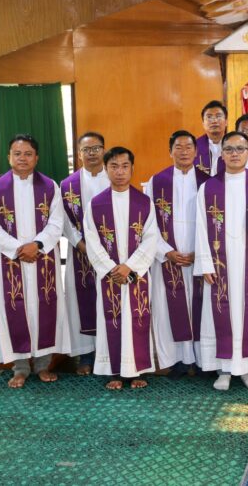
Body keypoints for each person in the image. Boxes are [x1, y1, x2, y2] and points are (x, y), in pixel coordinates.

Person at [0, 134, 68, 388]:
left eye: (28, 154)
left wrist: (37, 245)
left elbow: (57, 222)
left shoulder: (50, 187)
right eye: (17, 153)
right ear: (9, 157)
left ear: (36, 158)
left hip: (43, 258)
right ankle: (20, 368)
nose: (22, 158)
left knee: (44, 308)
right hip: (10, 260)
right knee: (14, 308)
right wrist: (19, 249)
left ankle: (43, 365)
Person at [84, 147, 159, 390]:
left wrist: (130, 267)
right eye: (114, 166)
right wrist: (111, 269)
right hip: (110, 276)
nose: (119, 171)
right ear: (106, 169)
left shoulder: (144, 203)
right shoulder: (96, 204)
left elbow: (151, 239)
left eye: (125, 166)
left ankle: (137, 370)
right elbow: (92, 241)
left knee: (137, 317)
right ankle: (114, 371)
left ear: (132, 168)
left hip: (136, 274)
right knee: (112, 318)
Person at [195, 132, 248, 391]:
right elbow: (201, 227)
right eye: (229, 149)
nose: (235, 154)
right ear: (221, 154)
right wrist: (205, 263)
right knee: (220, 311)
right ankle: (223, 368)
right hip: (219, 262)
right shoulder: (208, 188)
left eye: (240, 149)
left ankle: (246, 368)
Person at [145, 131, 207, 379]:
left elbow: (213, 224)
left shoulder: (207, 182)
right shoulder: (156, 182)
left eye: (188, 147)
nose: (183, 152)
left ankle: (201, 360)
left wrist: (199, 253)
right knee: (168, 308)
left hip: (197, 257)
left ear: (196, 151)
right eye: (178, 147)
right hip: (168, 257)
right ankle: (177, 360)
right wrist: (166, 251)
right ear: (170, 151)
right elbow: (147, 223)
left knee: (200, 308)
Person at [60, 131, 110, 375]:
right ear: (79, 154)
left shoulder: (114, 178)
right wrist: (80, 244)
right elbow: (64, 221)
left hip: (111, 255)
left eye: (96, 148)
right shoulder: (67, 186)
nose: (92, 153)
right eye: (86, 150)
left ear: (104, 150)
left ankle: (109, 352)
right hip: (80, 254)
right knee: (81, 303)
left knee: (109, 301)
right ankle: (86, 356)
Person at [194, 101, 228, 177]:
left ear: (226, 122)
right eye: (209, 117)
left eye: (218, 116)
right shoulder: (194, 146)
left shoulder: (235, 145)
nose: (214, 121)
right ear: (203, 123)